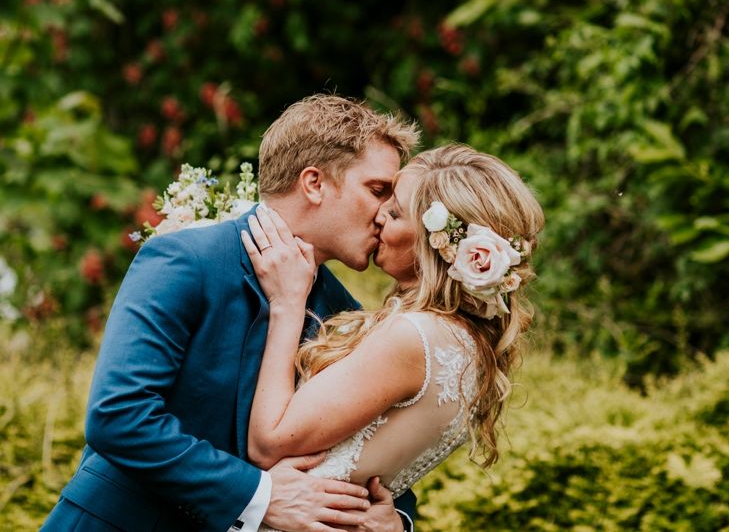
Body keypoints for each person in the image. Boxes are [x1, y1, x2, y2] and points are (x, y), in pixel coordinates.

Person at [42, 95, 420, 532]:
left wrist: (395, 520)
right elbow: (119, 416)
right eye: (377, 190)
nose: (386, 215)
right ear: (314, 183)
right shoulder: (186, 259)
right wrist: (258, 495)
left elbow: (376, 453)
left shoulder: (345, 313)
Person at [241, 144, 545, 532]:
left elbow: (268, 443)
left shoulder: (413, 337)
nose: (378, 216)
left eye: (396, 211)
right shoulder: (467, 344)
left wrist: (286, 304)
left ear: (437, 245)